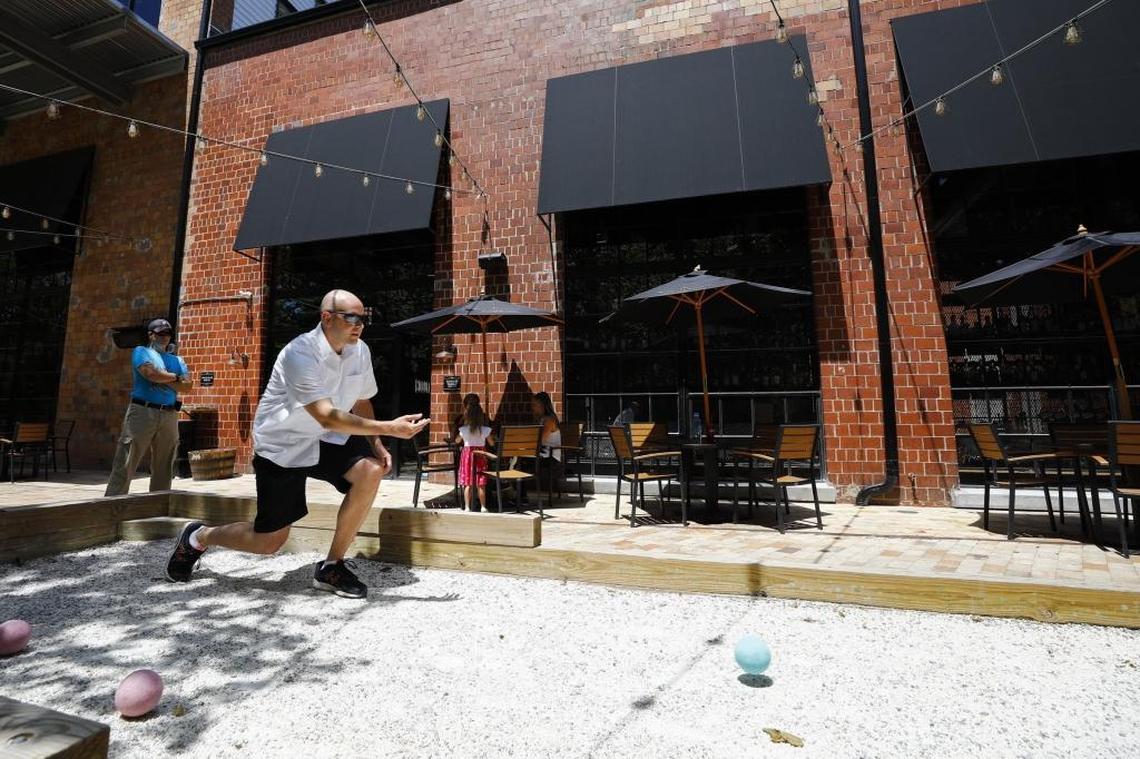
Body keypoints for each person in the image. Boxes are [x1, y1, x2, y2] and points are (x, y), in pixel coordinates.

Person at [165, 289, 430, 599]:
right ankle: (199, 536)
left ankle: (332, 566)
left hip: (327, 438)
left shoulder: (360, 350)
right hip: (284, 444)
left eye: (364, 319)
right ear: (326, 317)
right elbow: (327, 416)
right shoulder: (299, 353)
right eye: (352, 318)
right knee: (268, 542)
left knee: (370, 471)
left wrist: (377, 443)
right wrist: (390, 427)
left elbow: (361, 399)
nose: (359, 325)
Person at [105, 318, 193, 496]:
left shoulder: (177, 359)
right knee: (127, 460)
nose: (165, 337)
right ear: (151, 335)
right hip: (143, 412)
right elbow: (150, 374)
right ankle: (112, 505)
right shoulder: (141, 351)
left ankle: (158, 506)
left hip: (169, 414)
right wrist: (175, 378)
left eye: (168, 333)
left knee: (165, 464)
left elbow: (188, 386)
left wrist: (163, 377)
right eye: (160, 333)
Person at [453, 393, 495, 512]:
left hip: (467, 456)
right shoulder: (485, 430)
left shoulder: (463, 429)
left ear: (467, 416)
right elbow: (491, 443)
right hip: (481, 455)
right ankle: (483, 507)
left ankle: (467, 507)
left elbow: (457, 441)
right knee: (480, 483)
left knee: (468, 483)